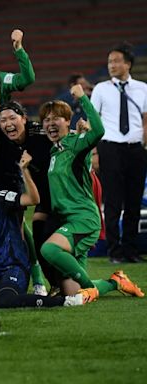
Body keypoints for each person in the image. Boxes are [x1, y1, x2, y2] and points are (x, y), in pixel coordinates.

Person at [40, 84, 144, 301]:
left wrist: (82, 99)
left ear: (67, 121)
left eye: (56, 118)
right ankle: (116, 282)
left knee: (49, 250)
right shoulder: (55, 151)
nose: (50, 123)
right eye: (46, 120)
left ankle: (91, 289)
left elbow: (98, 130)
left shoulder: (76, 144)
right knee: (73, 293)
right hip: (68, 219)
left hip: (83, 219)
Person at [0, 155, 85, 308]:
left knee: (6, 300)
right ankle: (2, 297)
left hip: (14, 267)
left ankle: (63, 301)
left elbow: (33, 200)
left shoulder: (1, 198)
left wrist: (24, 171)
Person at [91, 42, 147, 264]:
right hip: (110, 148)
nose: (112, 65)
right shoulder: (100, 89)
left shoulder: (143, 88)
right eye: (109, 62)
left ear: (128, 64)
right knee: (113, 202)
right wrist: (94, 152)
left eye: (116, 61)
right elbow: (93, 120)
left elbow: (145, 120)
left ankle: (131, 250)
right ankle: (114, 252)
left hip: (136, 149)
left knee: (134, 202)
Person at [0, 100, 52, 294]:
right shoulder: (4, 142)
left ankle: (72, 281)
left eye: (13, 118)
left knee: (52, 242)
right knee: (36, 233)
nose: (8, 123)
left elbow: (65, 138)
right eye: (3, 120)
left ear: (24, 119)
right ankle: (46, 282)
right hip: (40, 195)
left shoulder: (40, 134)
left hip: (60, 194)